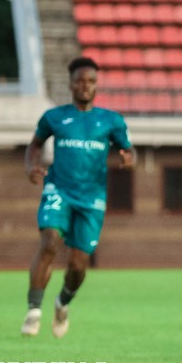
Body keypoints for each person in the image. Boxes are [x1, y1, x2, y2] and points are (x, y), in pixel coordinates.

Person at [21, 57, 134, 337]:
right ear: (70, 84)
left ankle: (62, 303)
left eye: (90, 81)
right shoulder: (55, 117)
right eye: (80, 81)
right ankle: (34, 310)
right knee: (49, 242)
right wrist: (29, 166)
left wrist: (129, 158)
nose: (85, 86)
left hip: (92, 198)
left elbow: (129, 150)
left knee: (78, 265)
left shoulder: (110, 121)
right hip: (58, 189)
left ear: (96, 85)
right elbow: (34, 146)